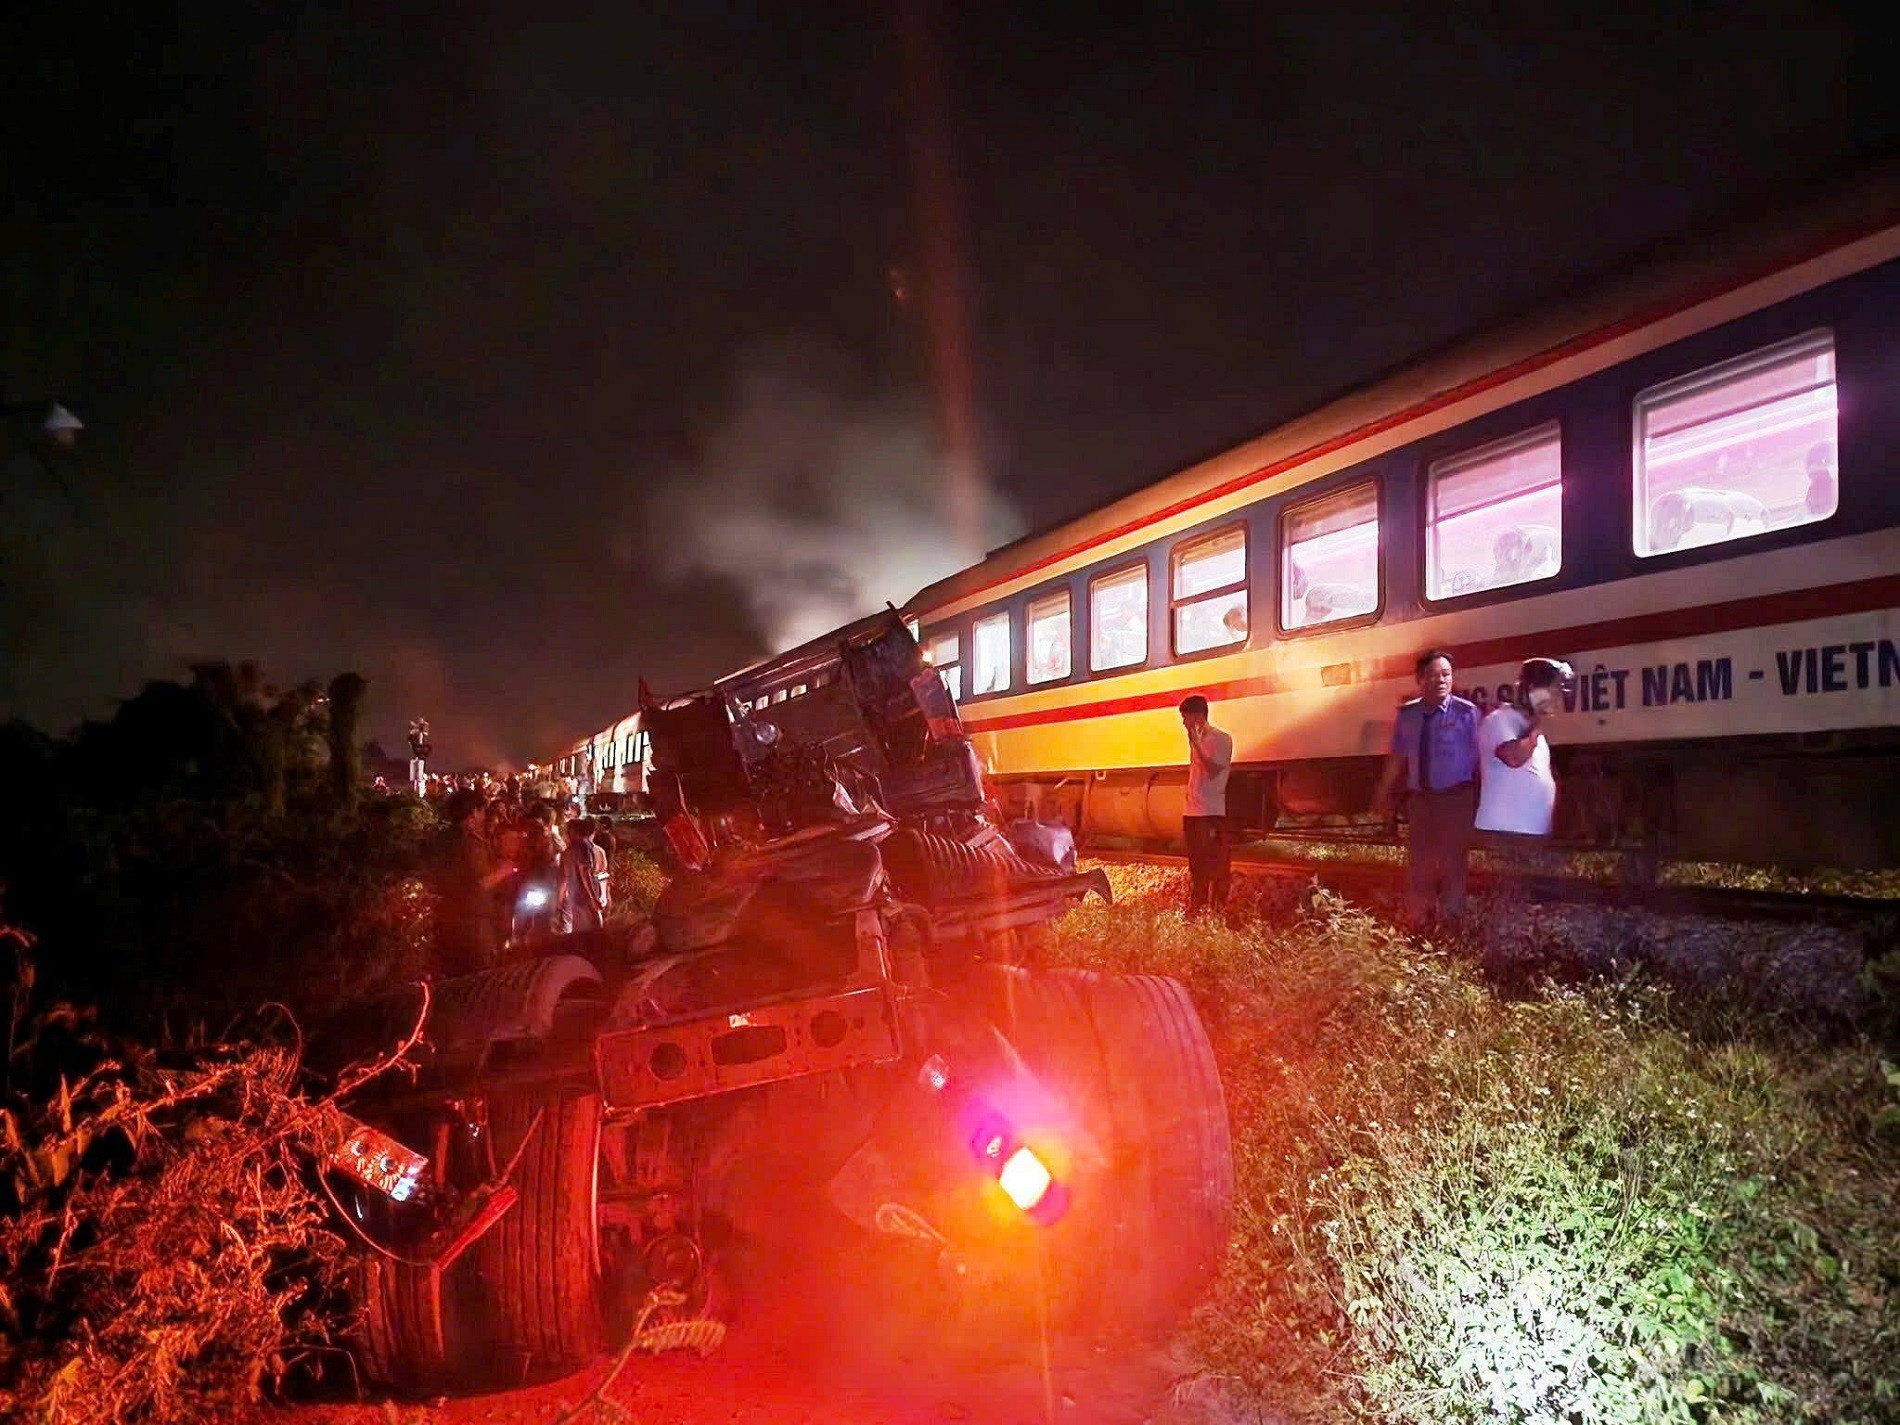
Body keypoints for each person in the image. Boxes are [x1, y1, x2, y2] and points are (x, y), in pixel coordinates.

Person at [1374, 651, 1481, 930]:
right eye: (1433, 675)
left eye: (1446, 674)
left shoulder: (1467, 713)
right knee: (1420, 863)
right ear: (1420, 679)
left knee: (1453, 863)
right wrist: (1383, 794)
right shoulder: (1407, 716)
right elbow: (1397, 759)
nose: (1441, 680)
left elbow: (1481, 758)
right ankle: (1418, 922)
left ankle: (1452, 924)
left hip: (1456, 800)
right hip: (1421, 802)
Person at [1475, 659, 1574, 840]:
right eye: (1553, 689)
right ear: (1532, 689)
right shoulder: (1499, 719)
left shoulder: (1535, 731)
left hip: (1531, 835)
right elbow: (1513, 757)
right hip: (1503, 835)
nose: (1557, 698)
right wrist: (1537, 721)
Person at [433, 789, 514, 976]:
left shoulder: (444, 838)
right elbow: (481, 883)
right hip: (473, 923)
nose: (484, 816)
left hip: (447, 920)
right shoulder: (470, 844)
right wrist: (505, 869)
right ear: (473, 813)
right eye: (482, 811)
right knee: (479, 977)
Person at [1178, 694, 1234, 913]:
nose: (1183, 723)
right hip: (1192, 812)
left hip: (1211, 813)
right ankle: (1198, 907)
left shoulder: (1222, 739)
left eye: (1186, 718)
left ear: (1198, 717)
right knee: (1196, 865)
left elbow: (1213, 770)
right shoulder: (1198, 741)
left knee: (1216, 864)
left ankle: (1218, 908)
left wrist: (1196, 744)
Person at [557, 816, 611, 935]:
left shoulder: (580, 849)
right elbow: (596, 874)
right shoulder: (580, 849)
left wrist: (559, 900)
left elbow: (570, 877)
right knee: (594, 930)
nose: (567, 835)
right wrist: (599, 896)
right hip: (583, 899)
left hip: (578, 898)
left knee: (580, 931)